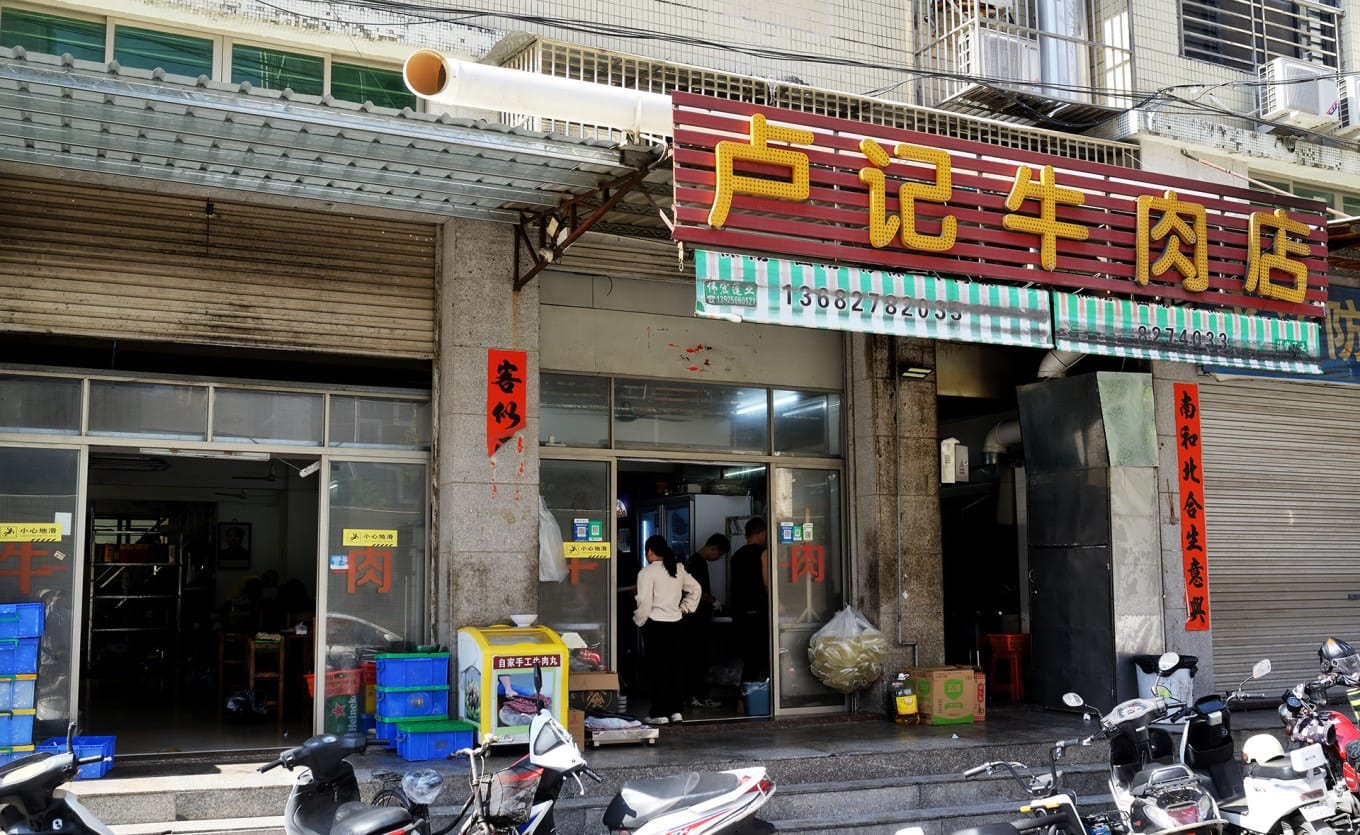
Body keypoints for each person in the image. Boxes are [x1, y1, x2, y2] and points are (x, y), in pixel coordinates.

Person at [632, 534, 700, 725]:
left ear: (650, 552)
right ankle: (676, 711)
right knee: (675, 668)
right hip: (677, 623)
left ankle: (659, 713)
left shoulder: (646, 572)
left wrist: (639, 620)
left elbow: (644, 601)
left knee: (657, 669)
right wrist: (684, 608)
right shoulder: (677, 568)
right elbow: (696, 589)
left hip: (655, 624)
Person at [682, 533, 731, 709]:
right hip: (696, 620)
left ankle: (690, 696)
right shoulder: (698, 563)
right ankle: (698, 696)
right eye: (719, 555)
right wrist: (713, 601)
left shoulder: (692, 561)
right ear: (713, 548)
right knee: (699, 659)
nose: (718, 558)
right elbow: (698, 591)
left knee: (693, 659)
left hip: (692, 619)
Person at [729, 518, 771, 687]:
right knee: (760, 656)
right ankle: (759, 693)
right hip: (758, 612)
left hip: (740, 613)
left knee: (747, 657)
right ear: (763, 533)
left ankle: (744, 694)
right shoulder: (763, 553)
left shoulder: (735, 556)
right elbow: (767, 583)